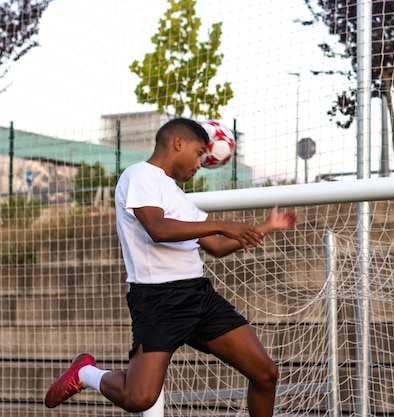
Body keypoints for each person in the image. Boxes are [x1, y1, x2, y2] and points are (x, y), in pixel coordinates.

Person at [45, 117, 297, 416]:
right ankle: (85, 373)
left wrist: (266, 227)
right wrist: (224, 223)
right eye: (199, 152)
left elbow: (215, 246)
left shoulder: (178, 195)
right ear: (178, 143)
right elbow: (158, 229)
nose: (201, 162)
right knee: (139, 398)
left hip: (199, 296)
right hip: (158, 301)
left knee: (265, 373)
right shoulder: (139, 175)